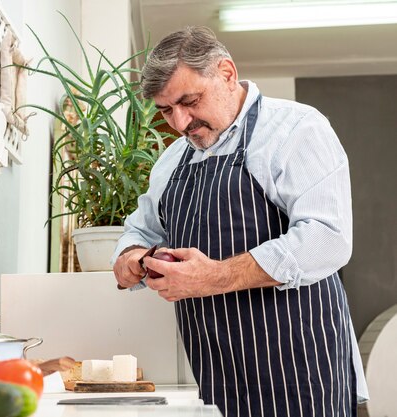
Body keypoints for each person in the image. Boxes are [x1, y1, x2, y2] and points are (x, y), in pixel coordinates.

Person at [112, 26, 368, 417]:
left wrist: (216, 276)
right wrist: (131, 257)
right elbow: (142, 229)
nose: (180, 123)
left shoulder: (295, 129)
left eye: (189, 101)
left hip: (301, 368)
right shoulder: (173, 159)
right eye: (166, 110)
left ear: (227, 73)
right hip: (216, 371)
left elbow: (327, 238)